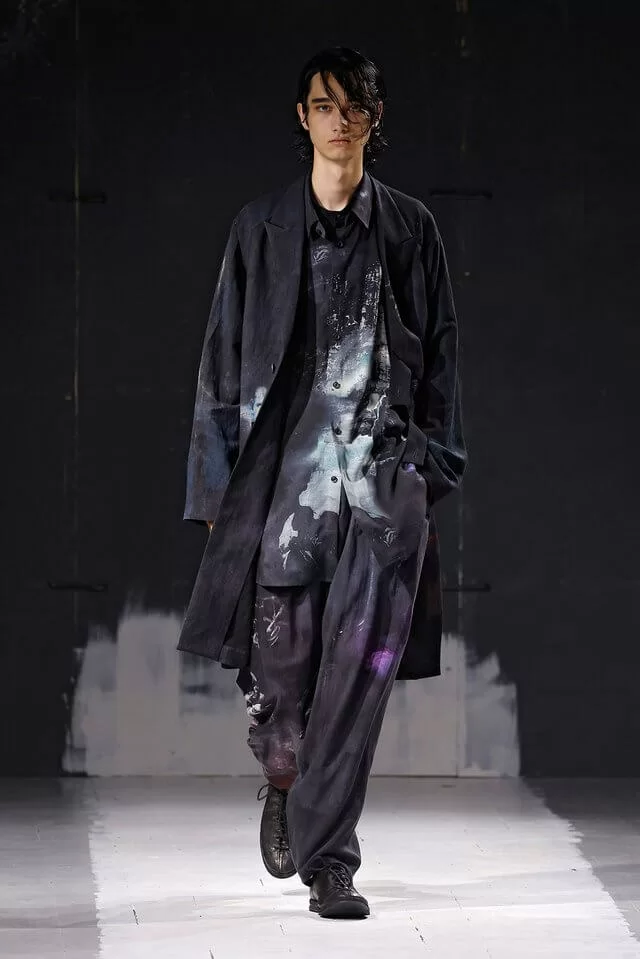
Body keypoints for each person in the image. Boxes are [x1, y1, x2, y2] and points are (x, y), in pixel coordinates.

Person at [177, 45, 467, 920]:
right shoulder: (260, 229)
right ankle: (284, 775)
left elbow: (442, 358)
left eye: (355, 106)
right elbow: (221, 363)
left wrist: (426, 468)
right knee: (284, 673)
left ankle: (330, 860)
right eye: (325, 105)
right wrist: (215, 496)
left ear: (374, 120)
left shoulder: (410, 229)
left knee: (357, 678)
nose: (340, 121)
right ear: (302, 118)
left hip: (380, 488)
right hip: (286, 489)